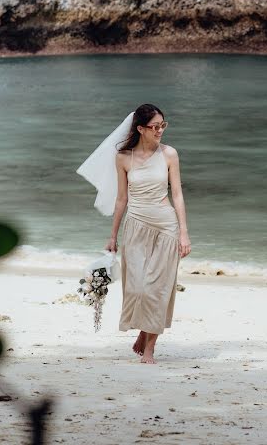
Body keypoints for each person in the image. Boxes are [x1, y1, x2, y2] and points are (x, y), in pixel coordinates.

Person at [77, 104, 191, 364]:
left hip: (166, 226)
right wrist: (112, 236)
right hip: (136, 225)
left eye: (163, 125)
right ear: (140, 128)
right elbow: (121, 200)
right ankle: (142, 329)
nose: (160, 130)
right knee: (138, 289)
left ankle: (149, 348)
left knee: (158, 289)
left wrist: (184, 233)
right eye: (154, 126)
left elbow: (178, 195)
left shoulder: (170, 154)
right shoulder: (123, 158)